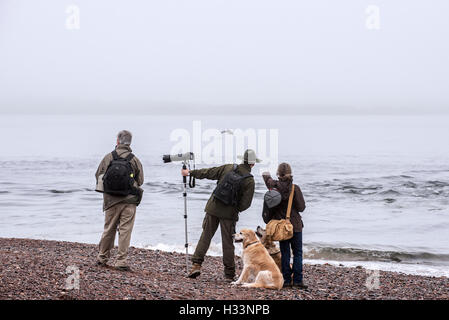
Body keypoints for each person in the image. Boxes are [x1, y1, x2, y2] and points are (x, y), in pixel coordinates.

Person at [182, 149, 260, 281]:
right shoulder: (249, 181)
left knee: (205, 236)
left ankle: (196, 265)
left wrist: (190, 173)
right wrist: (235, 209)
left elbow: (209, 172)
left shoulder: (229, 167)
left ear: (243, 160)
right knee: (228, 243)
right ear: (253, 164)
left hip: (213, 207)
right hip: (229, 214)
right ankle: (229, 274)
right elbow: (246, 204)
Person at [95, 130, 144, 271]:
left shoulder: (108, 157)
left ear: (117, 141)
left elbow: (98, 175)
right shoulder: (134, 160)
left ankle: (102, 257)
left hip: (111, 201)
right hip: (129, 201)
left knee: (109, 229)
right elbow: (140, 181)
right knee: (125, 230)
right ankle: (121, 261)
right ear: (130, 142)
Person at [262, 163, 307, 288]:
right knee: (297, 253)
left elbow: (268, 180)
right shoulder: (295, 188)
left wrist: (266, 174)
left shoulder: (274, 188)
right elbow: (301, 208)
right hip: (295, 226)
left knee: (285, 253)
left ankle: (286, 280)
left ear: (278, 174)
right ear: (290, 173)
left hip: (280, 227)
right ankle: (298, 281)